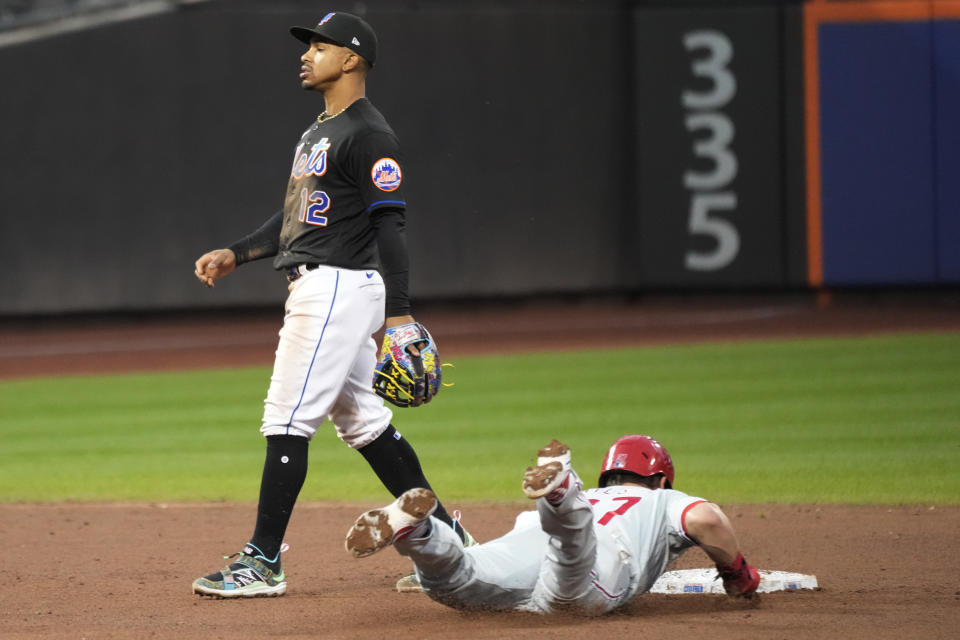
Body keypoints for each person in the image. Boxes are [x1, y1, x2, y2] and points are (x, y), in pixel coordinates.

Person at [191, 11, 471, 598]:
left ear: (351, 59)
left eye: (319, 47)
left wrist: (400, 314)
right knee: (364, 422)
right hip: (329, 284)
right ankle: (448, 541)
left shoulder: (369, 134)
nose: (306, 55)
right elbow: (296, 216)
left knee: (287, 419)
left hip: (338, 287)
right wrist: (237, 253)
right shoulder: (321, 129)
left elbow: (390, 226)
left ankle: (263, 562)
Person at [345, 435, 761, 614]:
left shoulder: (606, 495)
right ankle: (562, 494)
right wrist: (736, 574)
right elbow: (706, 518)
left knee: (457, 581)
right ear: (662, 479)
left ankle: (420, 534)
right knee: (572, 561)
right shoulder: (661, 498)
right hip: (596, 555)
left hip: (527, 537)